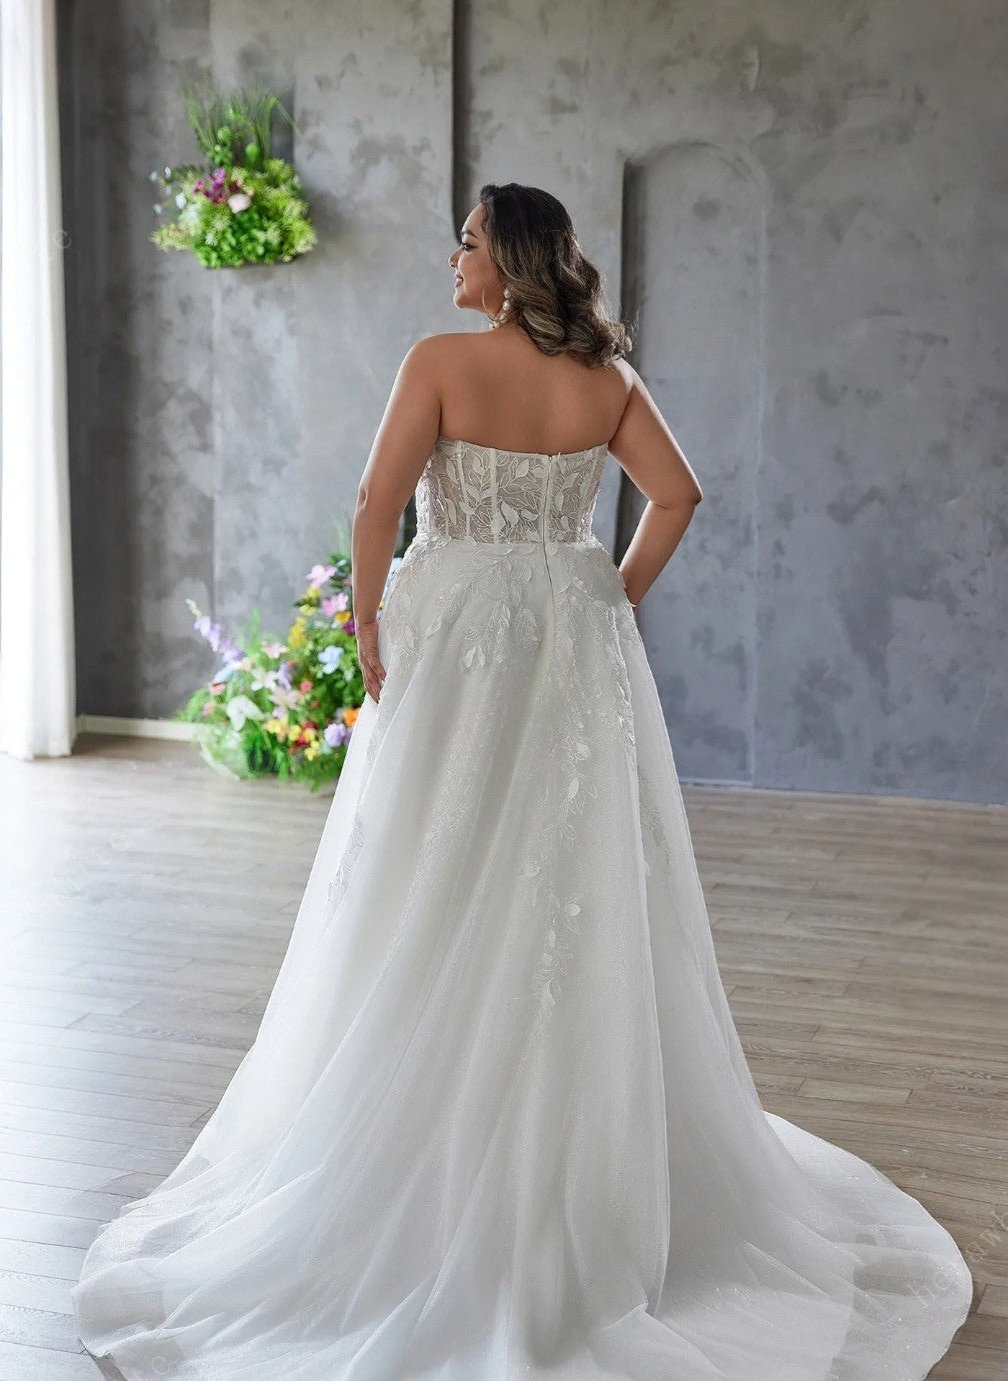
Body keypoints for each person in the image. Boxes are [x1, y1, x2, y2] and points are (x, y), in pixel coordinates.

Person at [72, 182, 972, 1379]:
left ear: (510, 264)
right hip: (569, 628)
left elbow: (377, 501)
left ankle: (412, 1129)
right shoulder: (607, 378)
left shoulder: (441, 360)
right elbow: (679, 495)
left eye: (469, 243)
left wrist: (373, 621)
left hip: (456, 632)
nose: (454, 259)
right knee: (573, 865)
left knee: (427, 860)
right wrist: (612, 590)